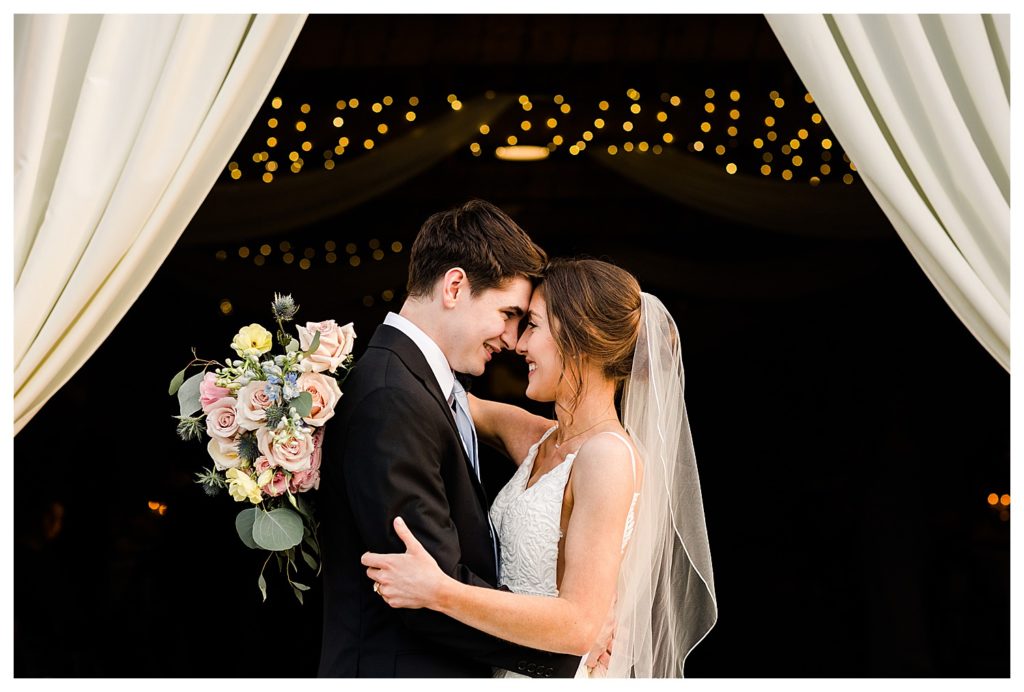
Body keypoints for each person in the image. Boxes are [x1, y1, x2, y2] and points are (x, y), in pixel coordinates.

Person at [362, 258, 718, 677]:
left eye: (532, 325)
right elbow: (426, 388)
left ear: (577, 337)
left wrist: (439, 591)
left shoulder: (607, 458)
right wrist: (320, 373)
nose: (518, 344)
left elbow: (580, 625)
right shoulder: (541, 437)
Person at [316, 200, 582, 677]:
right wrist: (567, 654)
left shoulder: (424, 385)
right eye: (508, 313)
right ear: (455, 286)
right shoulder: (391, 396)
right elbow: (425, 587)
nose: (512, 338)